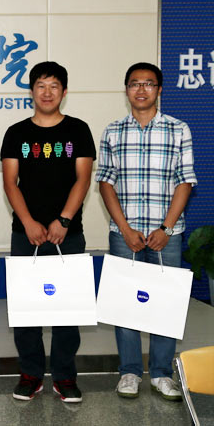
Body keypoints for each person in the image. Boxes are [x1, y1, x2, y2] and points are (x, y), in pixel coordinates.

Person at [96, 62, 196, 401]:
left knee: (165, 303)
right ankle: (129, 372)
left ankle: (162, 374)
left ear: (159, 89)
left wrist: (166, 227)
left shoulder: (178, 129)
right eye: (135, 83)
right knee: (126, 304)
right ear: (126, 90)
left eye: (148, 83)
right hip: (125, 234)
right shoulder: (113, 131)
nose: (141, 90)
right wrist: (125, 228)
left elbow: (185, 181)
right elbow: (105, 183)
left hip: (167, 235)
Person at [0, 61, 95, 403]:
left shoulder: (78, 130)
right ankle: (30, 373)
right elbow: (10, 182)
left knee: (68, 306)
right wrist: (28, 222)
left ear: (64, 92)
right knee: (27, 306)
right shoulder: (16, 133)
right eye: (41, 85)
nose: (47, 92)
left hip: (69, 233)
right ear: (31, 91)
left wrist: (64, 220)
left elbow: (83, 179)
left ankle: (65, 376)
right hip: (25, 233)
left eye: (54, 86)